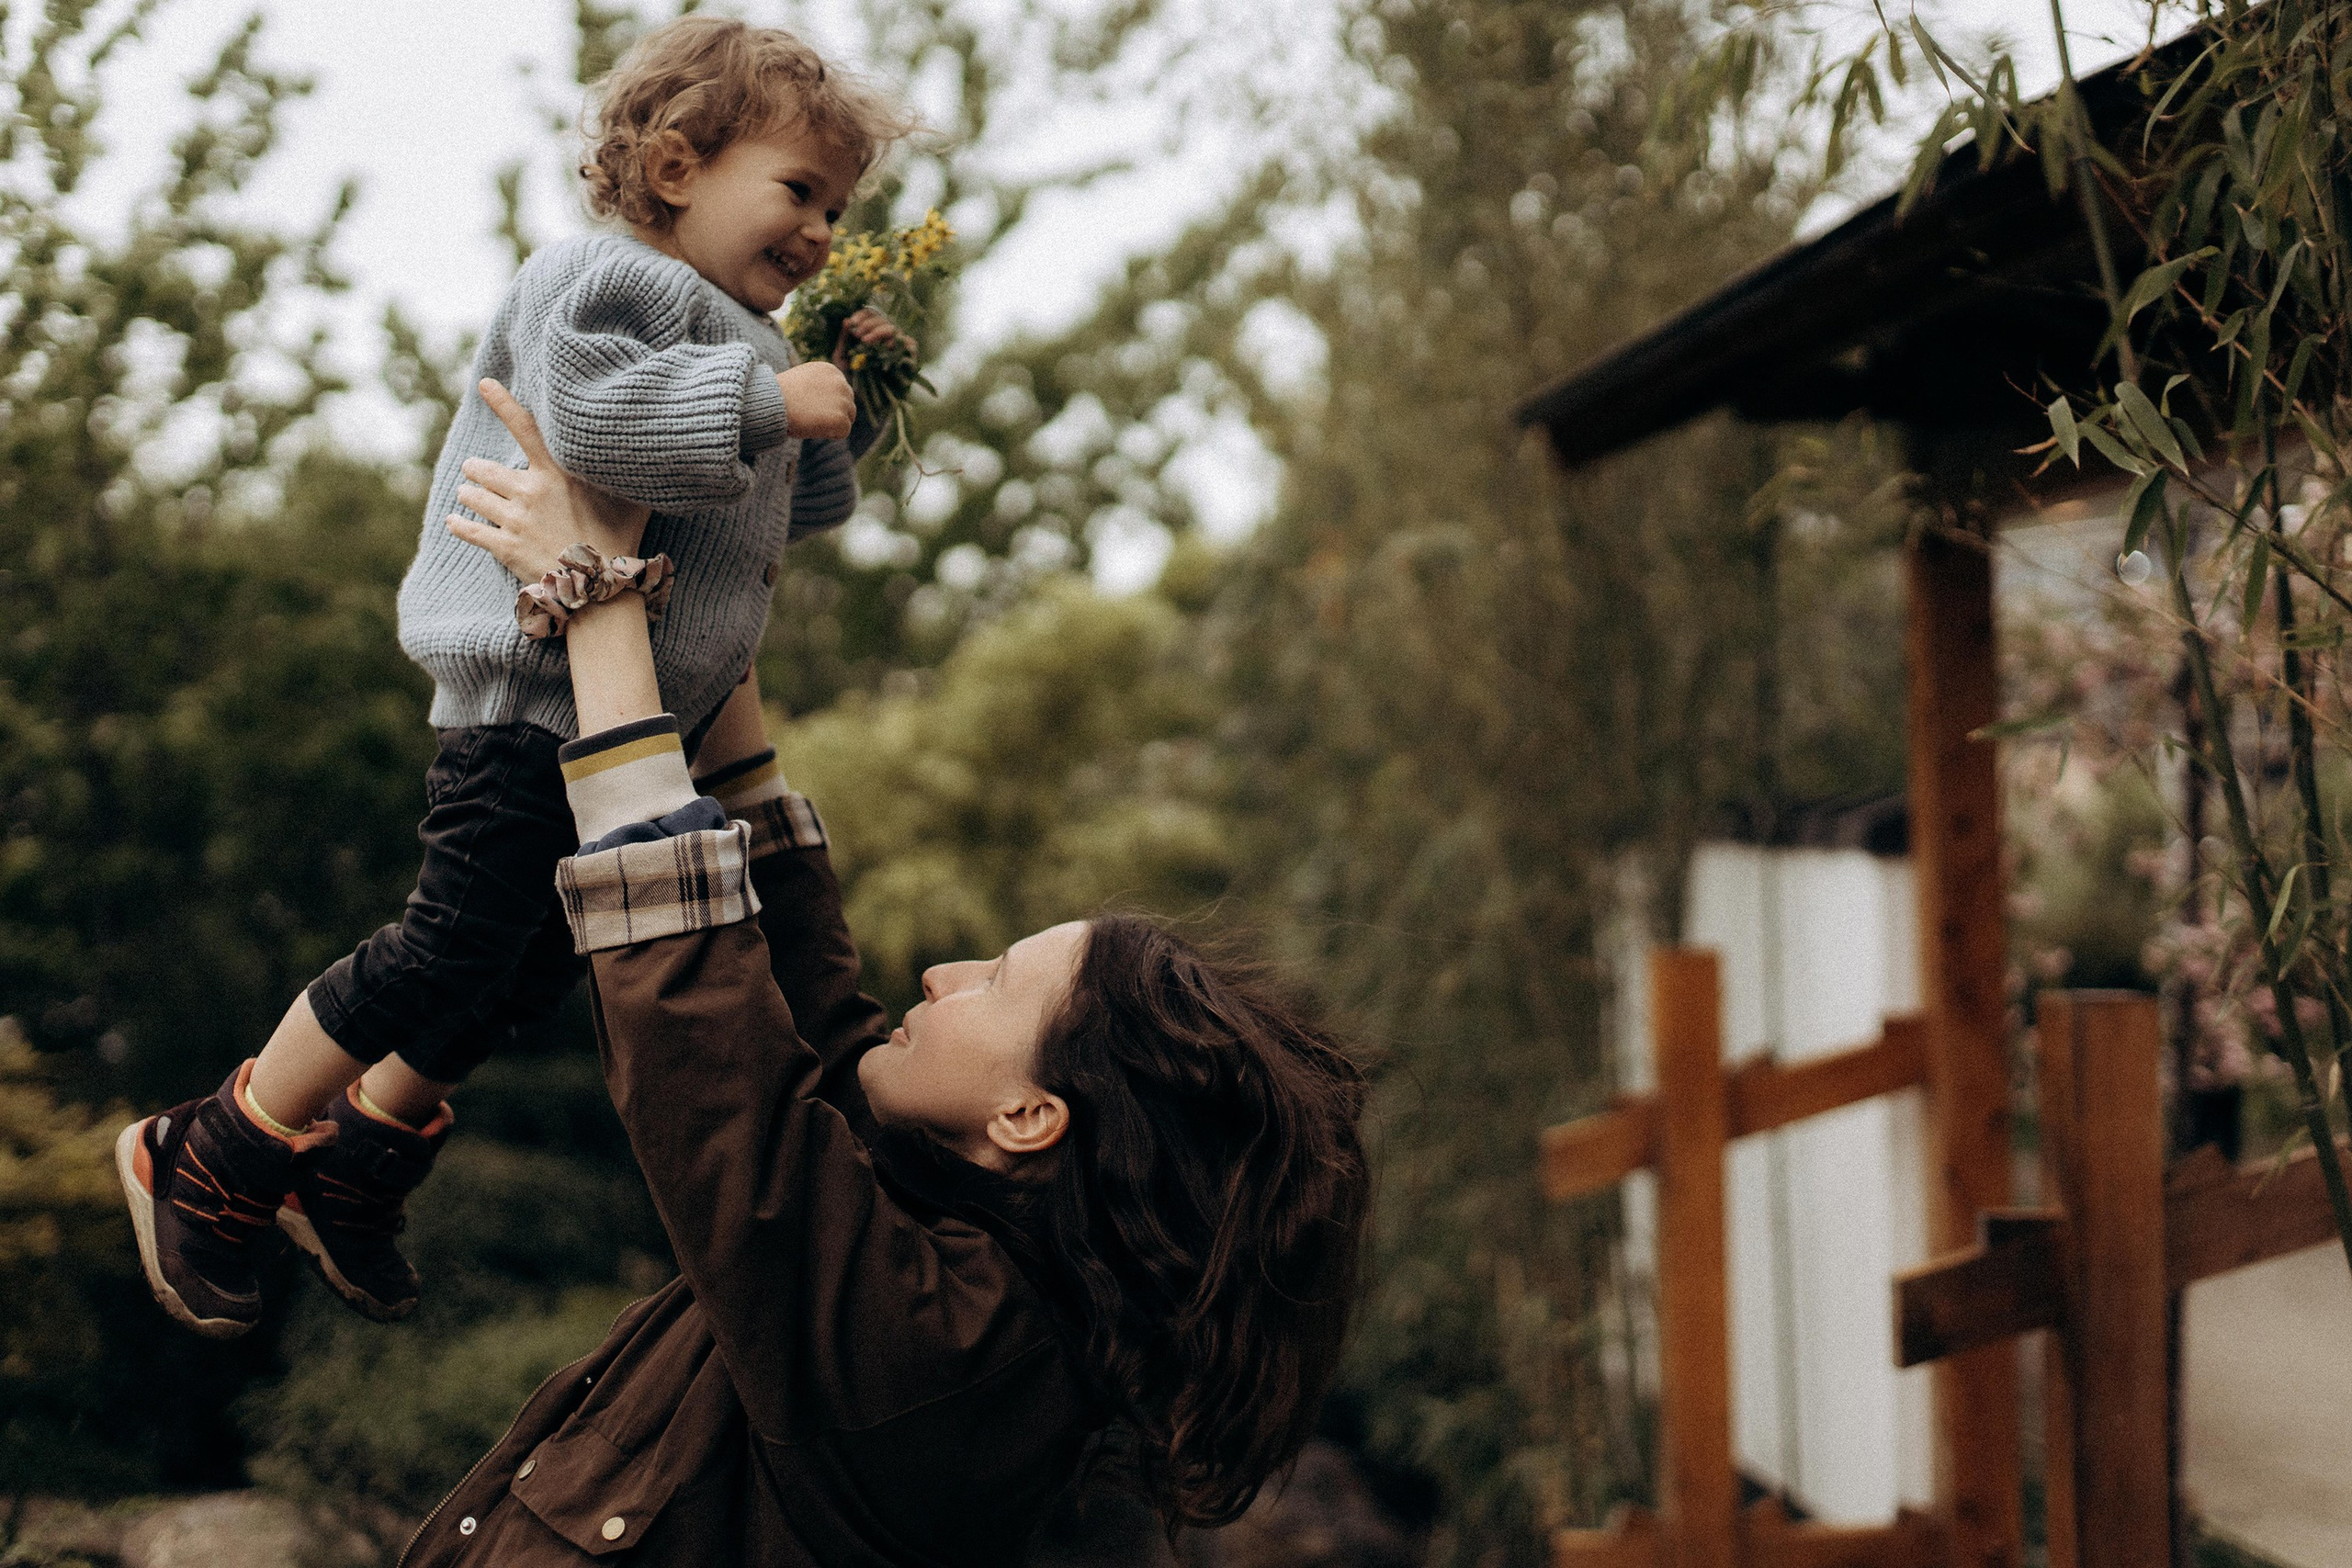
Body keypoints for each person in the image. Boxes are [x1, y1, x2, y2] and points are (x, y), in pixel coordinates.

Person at [400, 382, 1368, 1562]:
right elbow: (813, 1022)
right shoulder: (964, 1255)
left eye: (1000, 983)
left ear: (1028, 1115)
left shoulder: (949, 1358)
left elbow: (717, 1068)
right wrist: (714, 597)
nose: (946, 974)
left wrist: (600, 602)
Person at [115, 17, 921, 1337]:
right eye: (799, 191)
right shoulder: (607, 280)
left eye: (838, 207)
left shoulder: (742, 342)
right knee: (447, 943)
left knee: (531, 962)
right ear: (674, 169)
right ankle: (217, 1141)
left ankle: (360, 1152)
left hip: (622, 726)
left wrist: (851, 397)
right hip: (534, 694)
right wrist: (781, 400)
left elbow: (794, 502)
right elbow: (597, 422)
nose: (824, 230)